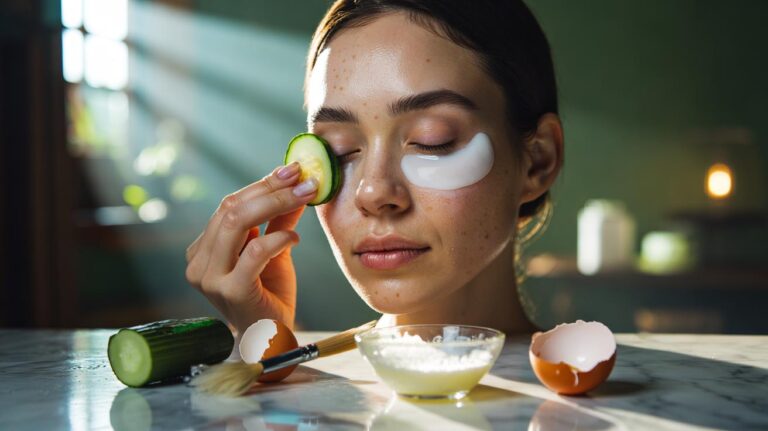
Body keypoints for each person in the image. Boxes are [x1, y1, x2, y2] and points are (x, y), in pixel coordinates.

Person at [184, 0, 564, 337]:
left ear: (538, 161)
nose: (373, 192)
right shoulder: (296, 371)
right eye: (338, 151)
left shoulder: (588, 389)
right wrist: (265, 345)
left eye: (432, 140)